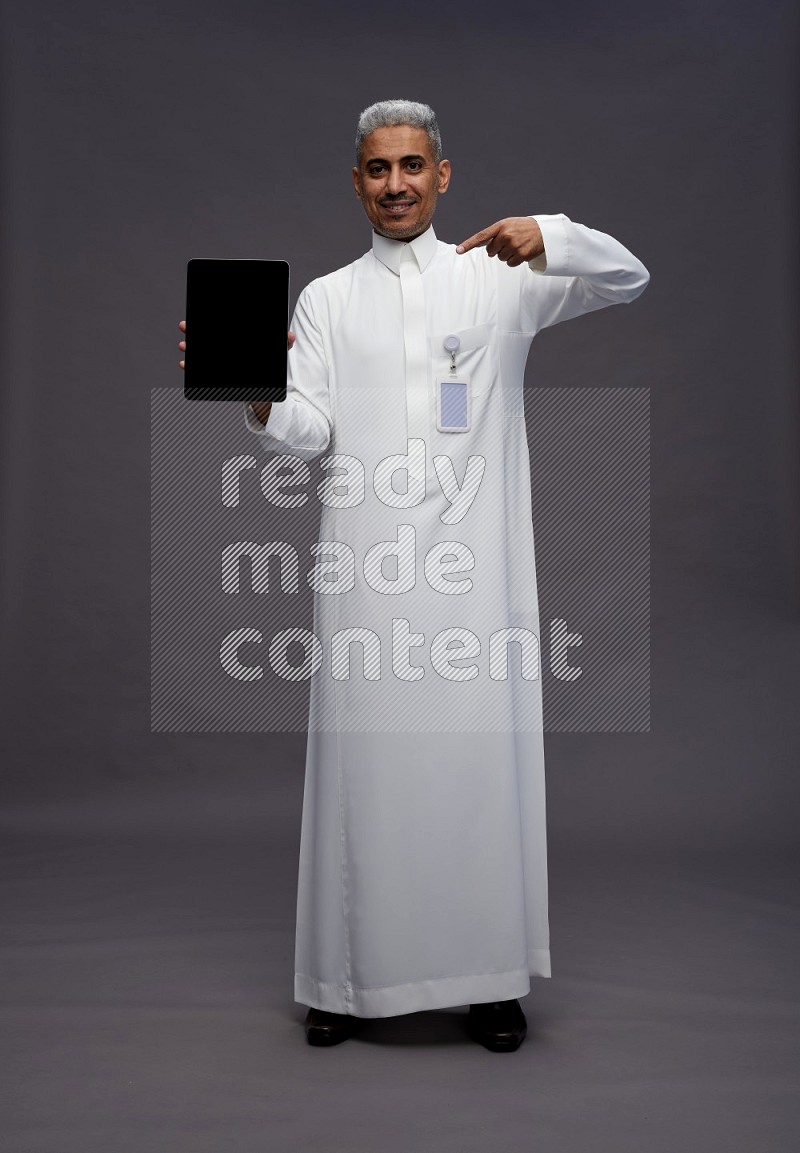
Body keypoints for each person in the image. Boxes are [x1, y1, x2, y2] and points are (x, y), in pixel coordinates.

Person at [178, 99, 649, 1052]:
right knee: (367, 776)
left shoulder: (502, 278)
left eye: (412, 166)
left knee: (477, 773)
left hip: (478, 576)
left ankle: (489, 983)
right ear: (357, 183)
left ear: (443, 176)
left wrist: (549, 232)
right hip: (368, 576)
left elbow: (629, 277)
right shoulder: (324, 300)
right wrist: (261, 395)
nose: (395, 184)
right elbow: (305, 439)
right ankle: (345, 980)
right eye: (377, 169)